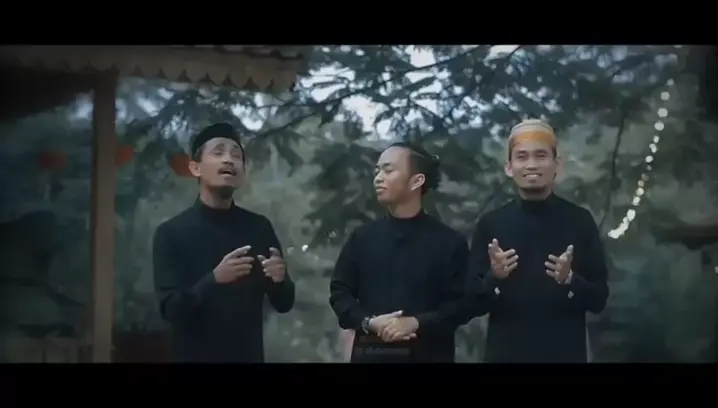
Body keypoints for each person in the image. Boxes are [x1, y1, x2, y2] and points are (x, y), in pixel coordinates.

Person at [467, 119, 609, 363]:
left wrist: (570, 280)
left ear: (557, 165)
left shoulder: (580, 221)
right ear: (509, 167)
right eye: (522, 157)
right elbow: (472, 303)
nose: (531, 165)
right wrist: (495, 277)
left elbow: (599, 300)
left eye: (541, 155)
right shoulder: (491, 224)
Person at [152, 122, 295, 363]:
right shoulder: (171, 233)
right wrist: (214, 280)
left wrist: (279, 281)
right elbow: (171, 311)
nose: (229, 160)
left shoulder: (259, 227)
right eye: (218, 152)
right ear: (195, 167)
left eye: (236, 156)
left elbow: (284, 303)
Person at [329, 142, 472, 363]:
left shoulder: (449, 243)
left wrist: (416, 323)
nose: (378, 178)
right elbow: (340, 293)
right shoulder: (362, 238)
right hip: (372, 356)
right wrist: (369, 322)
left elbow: (462, 305)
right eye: (377, 171)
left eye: (388, 170)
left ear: (417, 181)